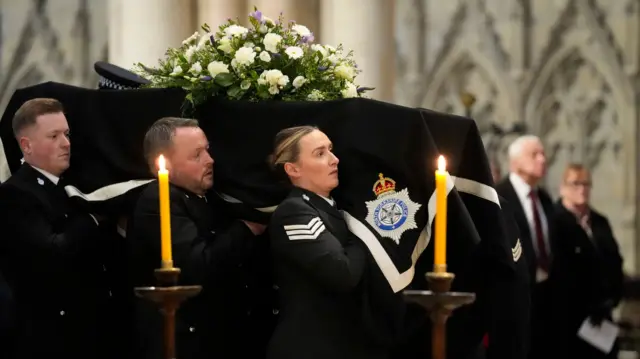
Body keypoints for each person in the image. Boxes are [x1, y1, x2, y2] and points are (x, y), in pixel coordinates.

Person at [127, 117, 272, 359]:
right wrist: (244, 230)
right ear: (167, 166)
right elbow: (196, 265)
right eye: (197, 155)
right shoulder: (159, 201)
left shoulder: (205, 197)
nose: (210, 160)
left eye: (207, 150)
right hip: (182, 340)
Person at [0, 98, 115, 359]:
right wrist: (94, 217)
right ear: (26, 145)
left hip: (89, 330)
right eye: (54, 136)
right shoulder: (15, 194)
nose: (66, 143)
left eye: (66, 133)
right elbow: (52, 252)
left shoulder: (66, 185)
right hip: (51, 338)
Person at [266, 125, 387, 359]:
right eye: (320, 154)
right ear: (293, 169)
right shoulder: (295, 212)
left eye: (330, 150)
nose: (335, 159)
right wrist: (365, 230)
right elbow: (343, 273)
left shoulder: (327, 207)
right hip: (310, 347)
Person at [551, 164, 624, 358]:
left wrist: (613, 297)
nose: (582, 189)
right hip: (569, 320)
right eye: (575, 184)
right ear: (563, 187)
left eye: (586, 184)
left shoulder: (600, 222)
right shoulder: (554, 221)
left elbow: (615, 261)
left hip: (602, 317)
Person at [495, 135, 555, 359]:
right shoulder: (500, 196)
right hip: (514, 300)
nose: (543, 159)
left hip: (545, 300)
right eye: (535, 154)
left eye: (543, 154)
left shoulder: (545, 200)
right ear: (516, 161)